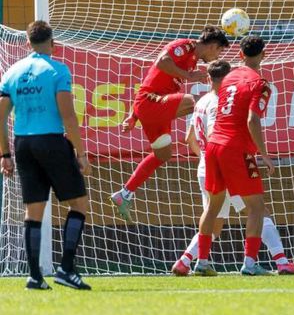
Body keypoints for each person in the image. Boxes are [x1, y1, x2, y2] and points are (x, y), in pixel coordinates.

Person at [172, 59, 294, 275]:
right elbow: (218, 132)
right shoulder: (220, 102)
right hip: (228, 159)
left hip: (208, 162)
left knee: (214, 218)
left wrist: (206, 158)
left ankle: (187, 261)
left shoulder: (202, 101)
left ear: (208, 78)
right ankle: (277, 261)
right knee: (258, 209)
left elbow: (189, 138)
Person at [0, 21, 92, 290]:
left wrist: (4, 153)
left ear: (27, 43)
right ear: (53, 43)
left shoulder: (12, 71)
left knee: (33, 210)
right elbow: (68, 116)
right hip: (51, 141)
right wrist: (81, 153)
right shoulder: (57, 70)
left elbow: (1, 116)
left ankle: (34, 277)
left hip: (23, 145)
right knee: (79, 204)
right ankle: (66, 268)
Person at [110, 26, 230, 221]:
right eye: (219, 51)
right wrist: (188, 75)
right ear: (213, 46)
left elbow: (148, 80)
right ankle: (211, 140)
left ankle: (124, 194)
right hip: (151, 101)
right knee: (192, 102)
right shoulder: (185, 46)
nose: (218, 55)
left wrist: (133, 117)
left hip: (153, 107)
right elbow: (161, 62)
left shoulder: (192, 60)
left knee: (163, 154)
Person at [193, 35, 276, 276]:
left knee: (213, 206)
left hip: (213, 146)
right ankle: (250, 264)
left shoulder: (228, 78)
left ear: (240, 55)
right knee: (256, 207)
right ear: (264, 54)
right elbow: (252, 120)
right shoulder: (259, 83)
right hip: (235, 148)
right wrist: (264, 154)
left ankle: (202, 262)